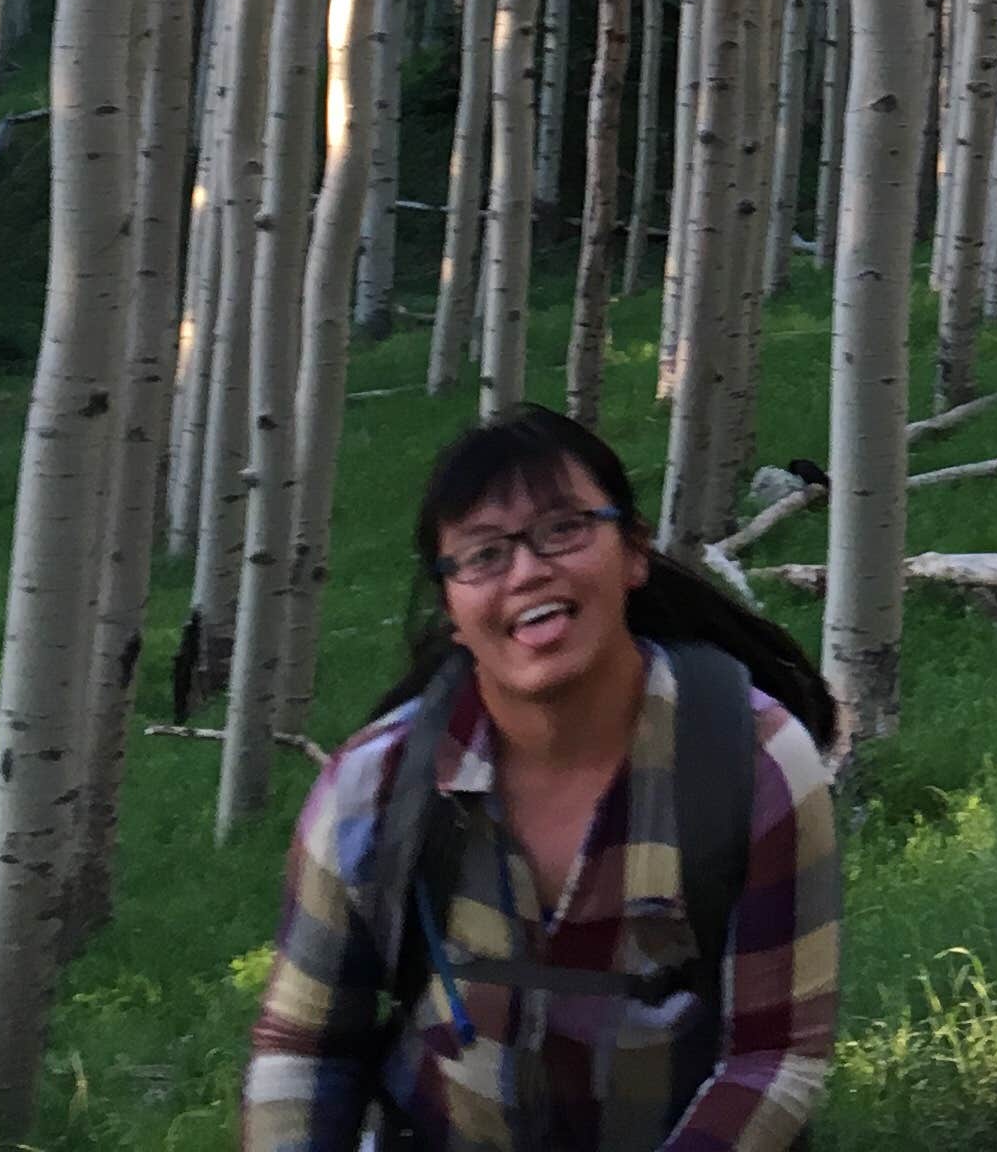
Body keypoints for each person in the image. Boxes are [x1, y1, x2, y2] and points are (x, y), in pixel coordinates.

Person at [243, 408, 841, 1152]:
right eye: (485, 555)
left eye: (563, 529)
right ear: (454, 610)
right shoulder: (374, 787)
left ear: (633, 552)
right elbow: (303, 1051)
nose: (527, 571)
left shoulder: (754, 764)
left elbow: (771, 1058)